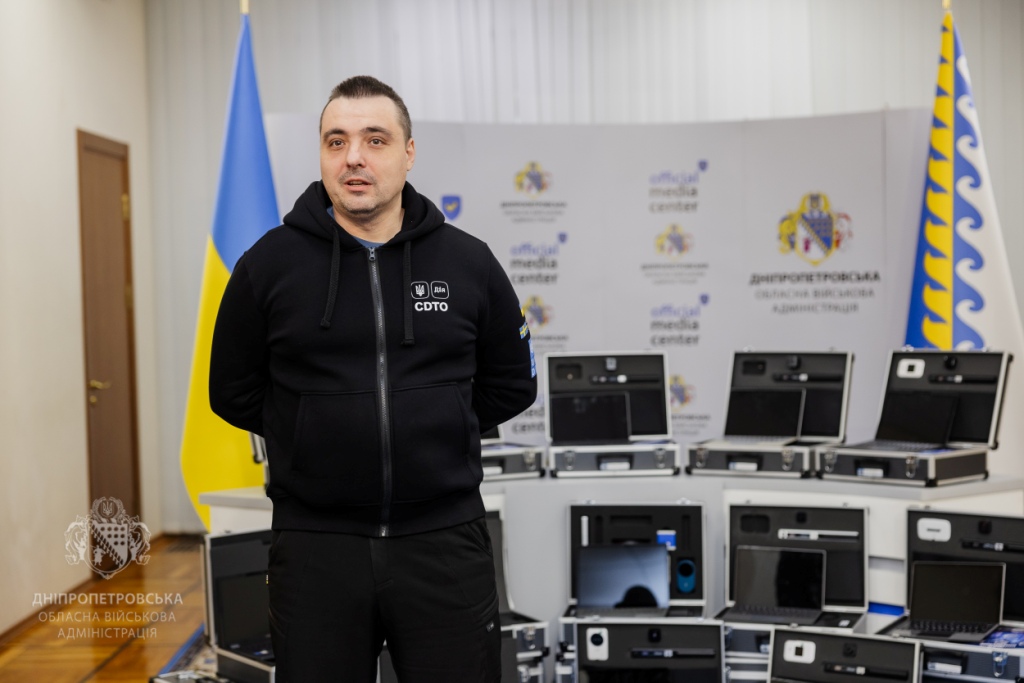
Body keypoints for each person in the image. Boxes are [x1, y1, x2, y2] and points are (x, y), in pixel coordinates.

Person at [209, 75, 537, 682]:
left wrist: (436, 418)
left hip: (444, 543)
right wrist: (311, 427)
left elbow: (513, 382)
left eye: (374, 139)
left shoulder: (468, 262)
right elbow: (231, 389)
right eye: (336, 141)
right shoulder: (267, 265)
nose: (354, 157)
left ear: (408, 153)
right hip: (315, 547)